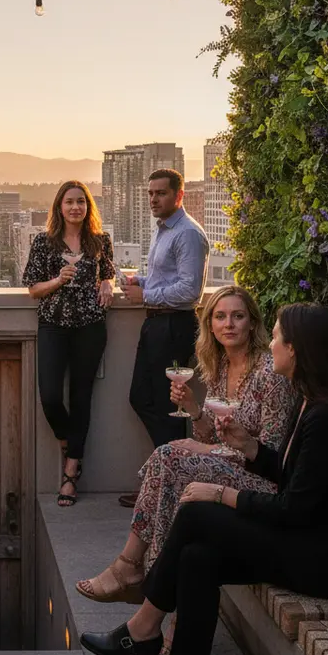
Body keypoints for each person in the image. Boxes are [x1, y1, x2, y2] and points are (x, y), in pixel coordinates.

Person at [80, 303, 328, 655]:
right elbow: (292, 479)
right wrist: (249, 446)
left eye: (279, 337)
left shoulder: (327, 416)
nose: (273, 344)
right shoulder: (314, 402)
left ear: (298, 351)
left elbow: (293, 508)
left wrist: (223, 494)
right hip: (318, 541)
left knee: (198, 515)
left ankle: (145, 624)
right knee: (197, 557)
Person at [76, 286, 297, 620]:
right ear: (210, 325)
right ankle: (159, 599)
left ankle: (132, 570)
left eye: (238, 316)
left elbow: (270, 456)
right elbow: (211, 434)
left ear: (253, 323)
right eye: (220, 317)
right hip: (230, 469)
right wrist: (193, 409)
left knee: (170, 459)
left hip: (261, 485)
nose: (229, 324)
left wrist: (203, 449)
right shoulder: (221, 367)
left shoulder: (269, 374)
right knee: (172, 471)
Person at [23, 180, 116, 506]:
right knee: (49, 395)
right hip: (53, 325)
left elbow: (108, 272)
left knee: (81, 397)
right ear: (59, 208)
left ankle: (71, 471)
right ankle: (67, 440)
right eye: (69, 202)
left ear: (88, 207)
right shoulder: (44, 243)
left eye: (81, 202)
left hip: (90, 327)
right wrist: (58, 280)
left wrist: (106, 282)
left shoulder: (100, 241)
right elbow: (33, 288)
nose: (76, 207)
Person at [121, 169, 208, 507]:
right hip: (157, 324)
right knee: (143, 398)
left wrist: (146, 297)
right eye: (150, 193)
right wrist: (141, 282)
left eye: (161, 193)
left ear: (179, 195)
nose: (154, 199)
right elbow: (165, 278)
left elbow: (190, 290)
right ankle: (167, 481)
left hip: (174, 327)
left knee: (164, 406)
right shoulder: (164, 231)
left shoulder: (187, 233)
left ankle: (167, 488)